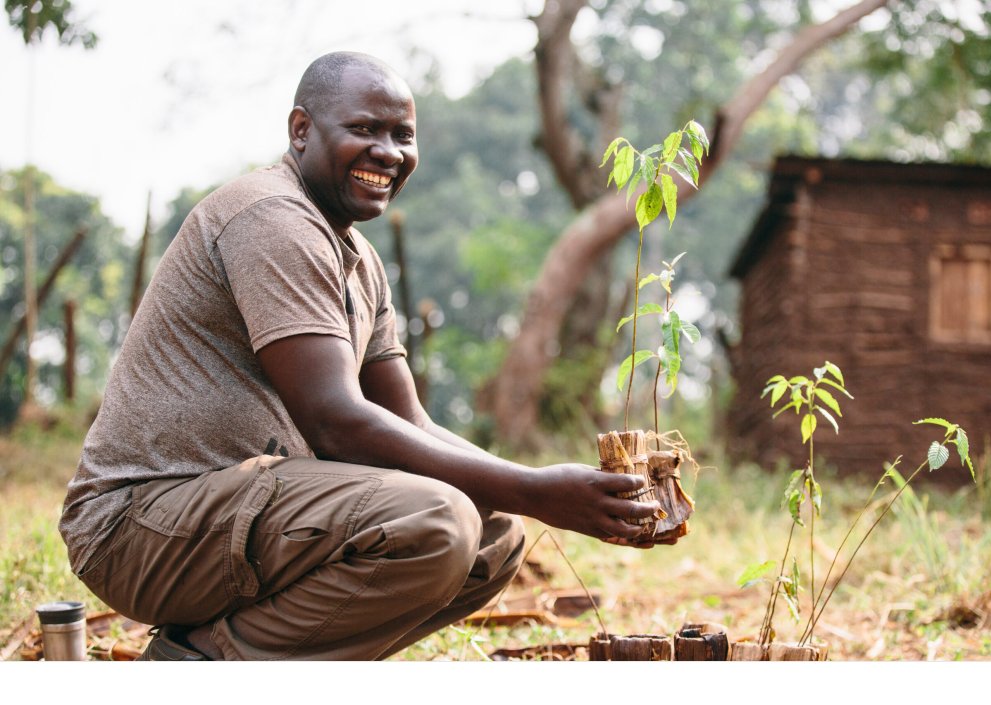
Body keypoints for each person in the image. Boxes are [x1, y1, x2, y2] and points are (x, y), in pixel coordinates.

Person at [59, 51, 663, 661]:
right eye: (364, 129)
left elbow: (409, 421)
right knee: (439, 522)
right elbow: (336, 421)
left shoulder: (359, 260)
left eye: (403, 135)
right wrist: (536, 490)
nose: (388, 152)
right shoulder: (271, 217)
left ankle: (230, 655)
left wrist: (541, 491)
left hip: (231, 519)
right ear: (301, 130)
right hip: (138, 526)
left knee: (494, 533)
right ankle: (199, 666)